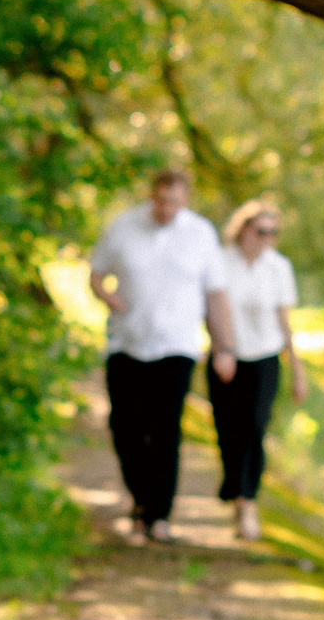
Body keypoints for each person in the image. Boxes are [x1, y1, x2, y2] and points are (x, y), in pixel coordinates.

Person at [89, 167, 219, 542]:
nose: (166, 209)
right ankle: (141, 499)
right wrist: (108, 297)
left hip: (177, 345)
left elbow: (215, 294)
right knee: (125, 428)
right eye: (161, 201)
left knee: (165, 430)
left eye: (174, 202)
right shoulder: (123, 227)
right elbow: (96, 274)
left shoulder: (201, 234)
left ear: (185, 200)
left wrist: (221, 344)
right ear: (152, 196)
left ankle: (159, 514)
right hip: (126, 343)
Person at [204, 200, 307, 542]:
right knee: (226, 428)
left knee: (255, 428)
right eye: (262, 231)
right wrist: (222, 349)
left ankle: (247, 503)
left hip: (264, 358)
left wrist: (297, 368)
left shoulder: (279, 267)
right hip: (225, 355)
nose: (267, 239)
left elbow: (284, 321)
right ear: (244, 229)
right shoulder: (219, 260)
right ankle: (234, 485)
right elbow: (210, 309)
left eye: (273, 233)